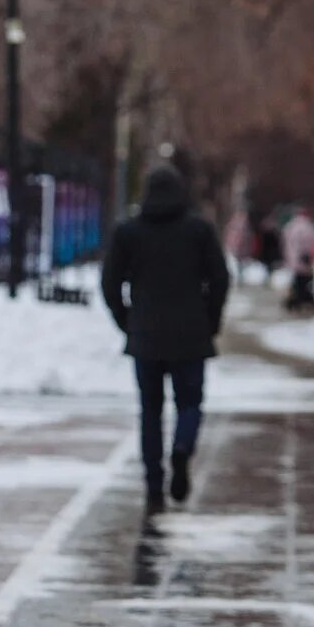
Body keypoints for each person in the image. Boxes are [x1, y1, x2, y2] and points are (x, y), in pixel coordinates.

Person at [101, 164, 231, 513]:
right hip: (191, 335)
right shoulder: (198, 231)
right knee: (190, 404)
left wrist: (125, 320)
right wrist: (211, 319)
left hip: (146, 336)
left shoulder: (129, 232)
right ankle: (183, 448)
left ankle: (154, 484)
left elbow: (110, 283)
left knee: (150, 411)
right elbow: (219, 278)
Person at [281, 206, 314, 314]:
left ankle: (294, 303)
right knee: (306, 283)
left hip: (294, 259)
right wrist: (313, 257)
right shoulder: (309, 226)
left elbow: (286, 243)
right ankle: (303, 302)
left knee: (298, 282)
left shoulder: (290, 226)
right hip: (305, 259)